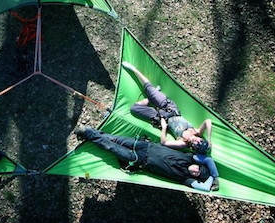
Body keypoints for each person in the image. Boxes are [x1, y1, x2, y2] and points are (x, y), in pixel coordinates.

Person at [122, 61, 219, 190]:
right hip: (170, 108)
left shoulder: (182, 143)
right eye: (200, 140)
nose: (197, 140)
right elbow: (208, 121)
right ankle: (135, 70)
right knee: (149, 89)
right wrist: (209, 139)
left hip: (162, 118)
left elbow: (164, 143)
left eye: (197, 144)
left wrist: (163, 128)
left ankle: (151, 100)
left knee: (134, 109)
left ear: (193, 147)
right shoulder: (197, 131)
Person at [74, 127, 214, 191]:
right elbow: (208, 160)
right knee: (115, 139)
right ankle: (91, 132)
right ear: (198, 164)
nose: (195, 171)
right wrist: (215, 174)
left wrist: (212, 179)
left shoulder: (185, 178)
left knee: (112, 148)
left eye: (197, 174)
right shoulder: (190, 157)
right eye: (198, 169)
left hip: (140, 160)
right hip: (146, 146)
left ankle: (87, 133)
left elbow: (205, 188)